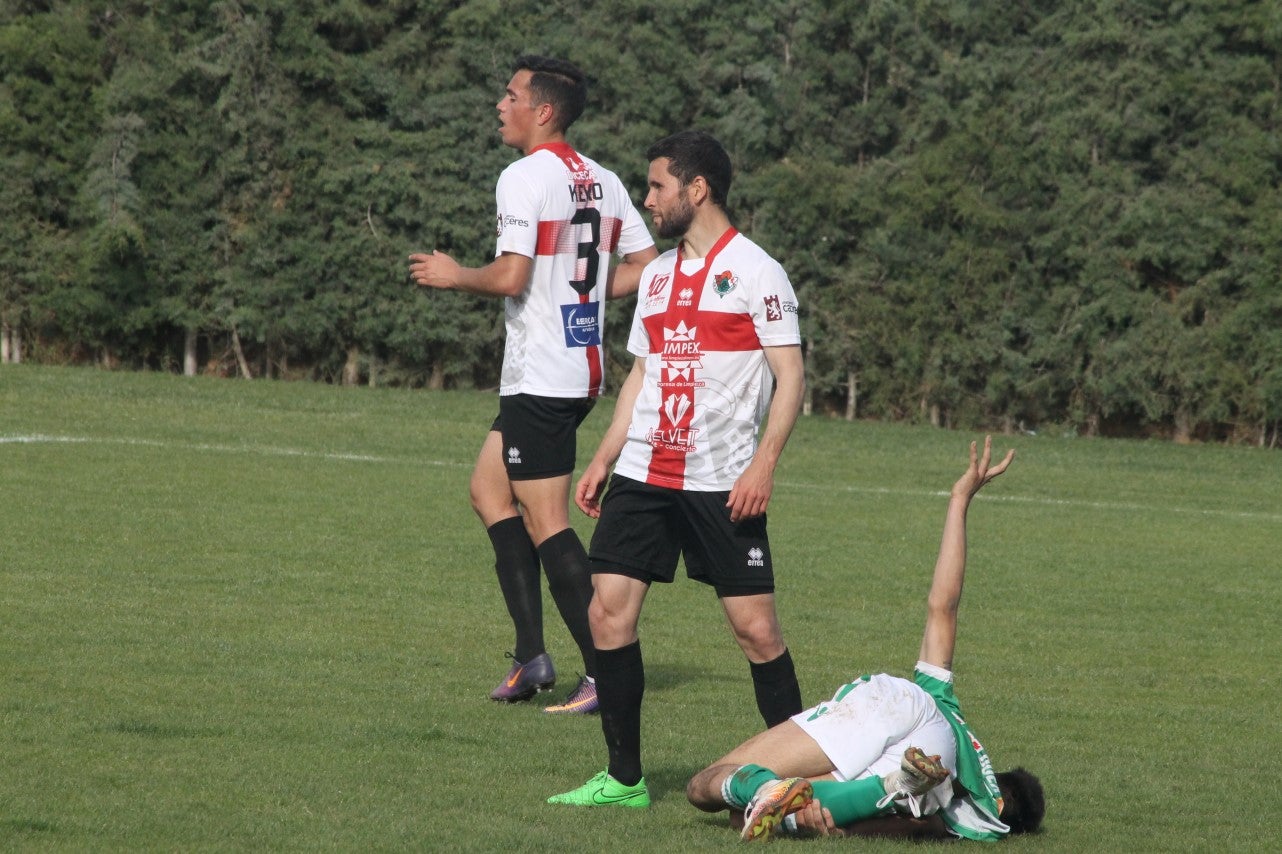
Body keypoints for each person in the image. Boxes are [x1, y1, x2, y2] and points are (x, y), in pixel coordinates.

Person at [548, 130, 805, 808]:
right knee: (608, 614)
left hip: (723, 481)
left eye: (658, 185)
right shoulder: (658, 275)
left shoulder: (757, 271)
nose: (648, 198)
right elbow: (643, 374)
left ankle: (805, 776)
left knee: (757, 632)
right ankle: (624, 780)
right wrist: (605, 455)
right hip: (644, 473)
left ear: (698, 189)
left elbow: (790, 375)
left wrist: (763, 465)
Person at [408, 56, 658, 714]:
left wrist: (455, 275)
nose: (501, 105)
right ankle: (532, 657)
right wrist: (583, 292)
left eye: (511, 95)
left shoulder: (522, 177)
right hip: (575, 371)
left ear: (542, 111)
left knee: (547, 521)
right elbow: (648, 264)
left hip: (543, 375)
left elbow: (512, 276)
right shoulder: (604, 180)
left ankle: (603, 674)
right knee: (488, 492)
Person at [685, 437, 1046, 842]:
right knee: (742, 814)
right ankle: (887, 789)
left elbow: (942, 608)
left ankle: (773, 791)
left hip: (912, 708)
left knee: (705, 787)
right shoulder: (987, 815)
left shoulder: (952, 716)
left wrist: (959, 500)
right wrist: (843, 828)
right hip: (929, 764)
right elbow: (923, 826)